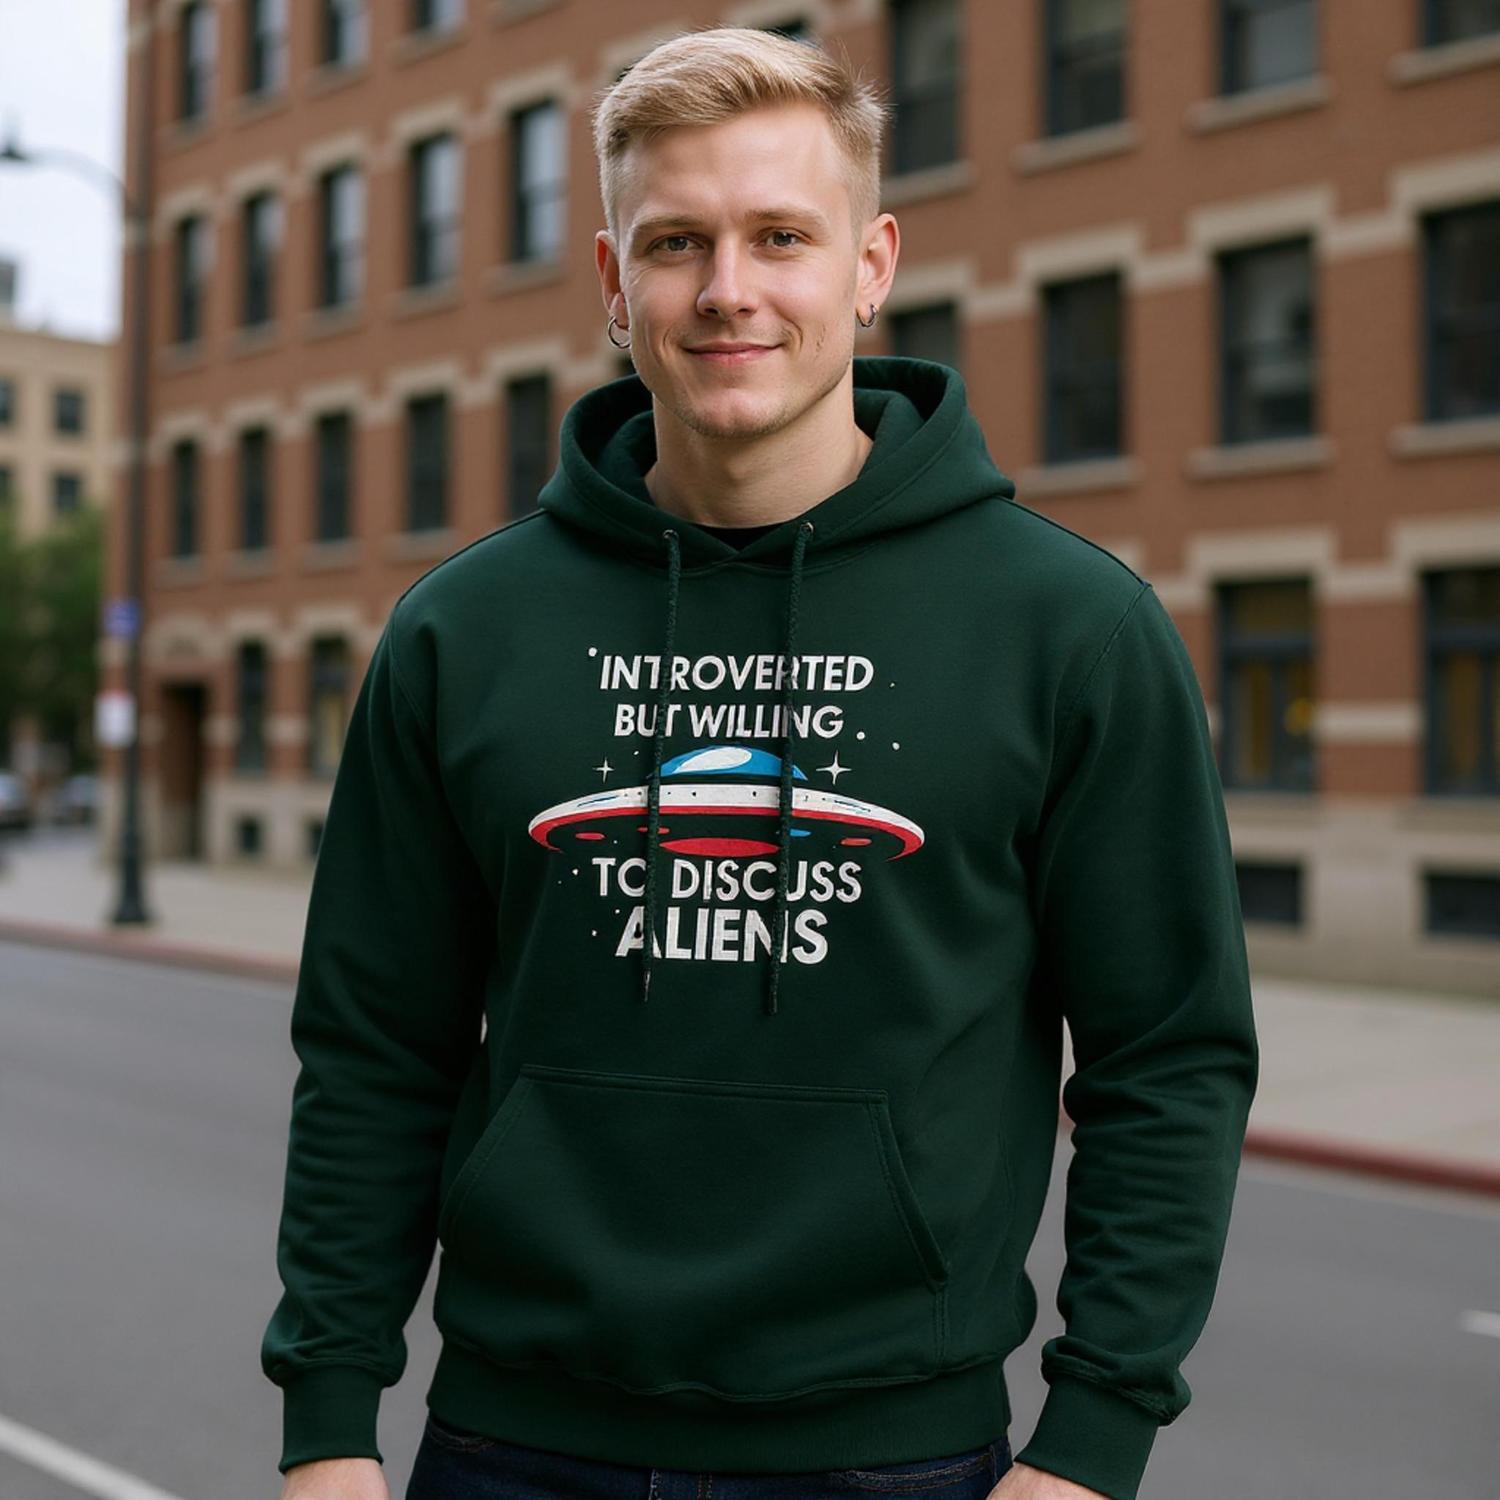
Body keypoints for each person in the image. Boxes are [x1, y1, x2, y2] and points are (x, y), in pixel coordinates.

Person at [262, 25, 1259, 1500]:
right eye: (676, 242)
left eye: (782, 236)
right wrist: (330, 1424)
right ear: (613, 283)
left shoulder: (1067, 629)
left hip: (895, 1457)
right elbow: (373, 1051)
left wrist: (1093, 1445)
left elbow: (1168, 1060)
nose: (729, 291)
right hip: (510, 1448)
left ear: (869, 267)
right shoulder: (464, 632)